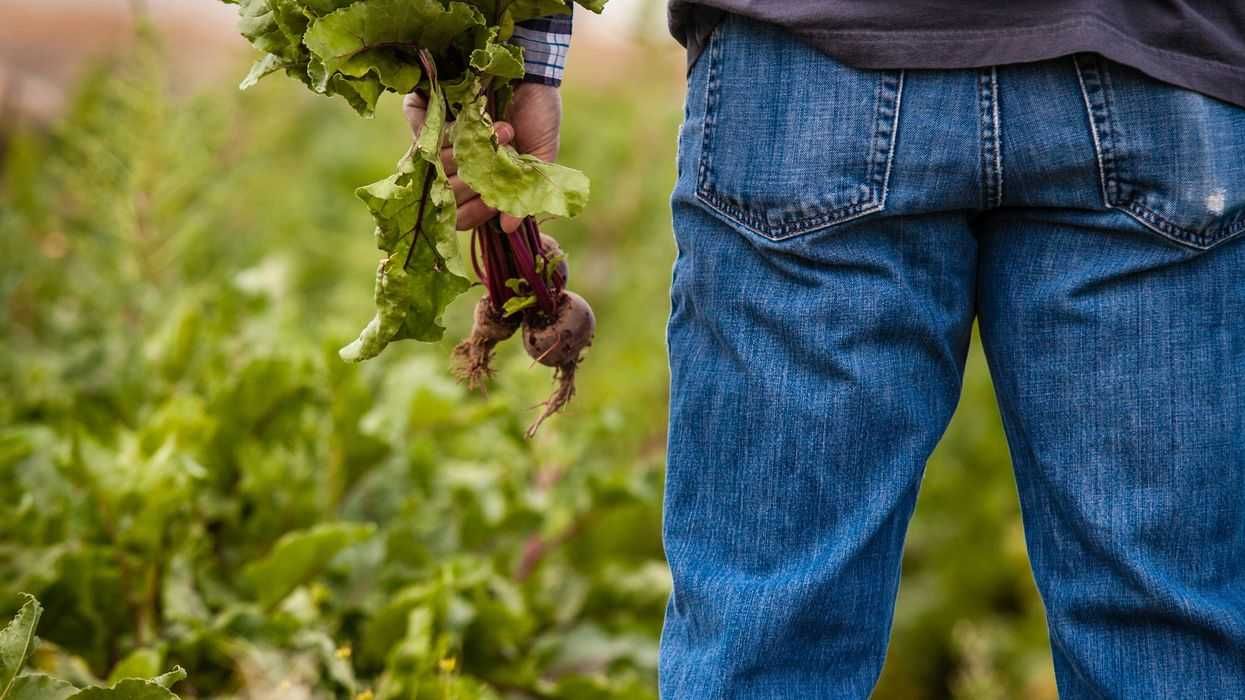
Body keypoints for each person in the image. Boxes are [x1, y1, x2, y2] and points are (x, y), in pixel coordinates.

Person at [409, 2, 1245, 697]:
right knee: (1167, 633)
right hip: (1159, 69)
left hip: (807, 75)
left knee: (769, 637)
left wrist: (514, 55)